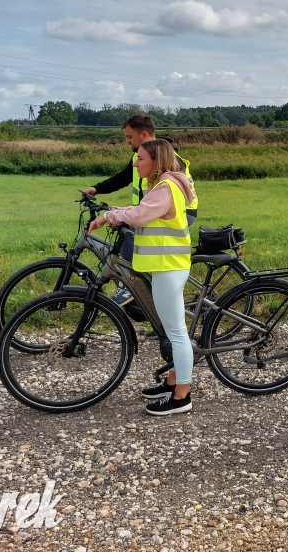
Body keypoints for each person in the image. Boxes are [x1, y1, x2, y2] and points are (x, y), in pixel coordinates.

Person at [88, 139, 197, 416]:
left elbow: (139, 215)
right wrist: (115, 212)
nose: (135, 164)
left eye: (140, 159)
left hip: (168, 267)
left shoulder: (166, 187)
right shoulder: (163, 186)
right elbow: (143, 210)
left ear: (156, 162)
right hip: (166, 266)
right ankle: (173, 383)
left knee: (176, 333)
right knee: (171, 331)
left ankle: (182, 397)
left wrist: (108, 217)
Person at [83, 114, 197, 305]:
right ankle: (144, 301)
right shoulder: (142, 155)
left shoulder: (167, 158)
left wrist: (121, 216)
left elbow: (158, 200)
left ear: (144, 134)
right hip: (151, 209)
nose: (127, 141)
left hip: (180, 212)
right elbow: (124, 177)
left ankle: (128, 289)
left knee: (131, 235)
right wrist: (97, 189)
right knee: (133, 236)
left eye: (129, 137)